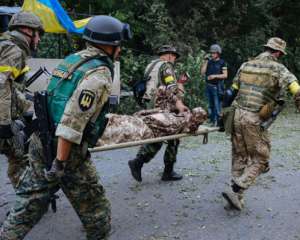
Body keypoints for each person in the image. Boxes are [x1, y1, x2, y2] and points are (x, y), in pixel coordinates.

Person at [0, 15, 131, 240]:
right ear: (109, 46)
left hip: (41, 141)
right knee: (96, 208)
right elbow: (73, 120)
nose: (119, 50)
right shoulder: (98, 74)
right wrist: (60, 162)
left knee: (29, 201)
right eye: (118, 45)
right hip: (65, 150)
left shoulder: (73, 59)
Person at [221, 37, 300, 211]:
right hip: (253, 119)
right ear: (278, 53)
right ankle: (237, 188)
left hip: (235, 115)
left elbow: (230, 92)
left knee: (239, 155)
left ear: (266, 49)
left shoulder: (245, 65)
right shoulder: (278, 68)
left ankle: (235, 200)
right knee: (261, 159)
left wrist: (223, 117)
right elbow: (296, 89)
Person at [128, 45, 189, 182]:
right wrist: (179, 100)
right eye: (174, 56)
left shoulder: (151, 65)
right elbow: (171, 86)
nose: (174, 59)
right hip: (162, 105)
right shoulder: (166, 66)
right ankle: (147, 164)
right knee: (173, 135)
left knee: (158, 135)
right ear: (168, 55)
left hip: (149, 103)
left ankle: (144, 163)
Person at [0, 11, 44, 188]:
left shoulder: (6, 45)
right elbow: (2, 85)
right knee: (22, 156)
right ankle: (28, 203)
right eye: (38, 34)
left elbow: (12, 89)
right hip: (2, 120)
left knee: (20, 156)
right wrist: (3, 124)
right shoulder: (13, 50)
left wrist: (28, 109)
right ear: (27, 30)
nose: (39, 39)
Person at [98, 106, 207, 146]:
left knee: (115, 132)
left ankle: (93, 138)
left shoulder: (184, 124)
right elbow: (159, 111)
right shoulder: (176, 115)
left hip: (145, 129)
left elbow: (190, 128)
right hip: (141, 122)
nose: (187, 114)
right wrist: (143, 113)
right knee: (113, 118)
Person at [200, 44, 228, 126]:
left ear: (218, 53)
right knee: (210, 105)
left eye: (214, 53)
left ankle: (217, 121)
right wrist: (205, 61)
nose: (212, 54)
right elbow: (202, 73)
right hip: (208, 86)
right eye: (211, 53)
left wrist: (215, 76)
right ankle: (212, 120)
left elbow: (225, 75)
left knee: (217, 105)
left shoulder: (222, 62)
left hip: (217, 87)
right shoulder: (209, 62)